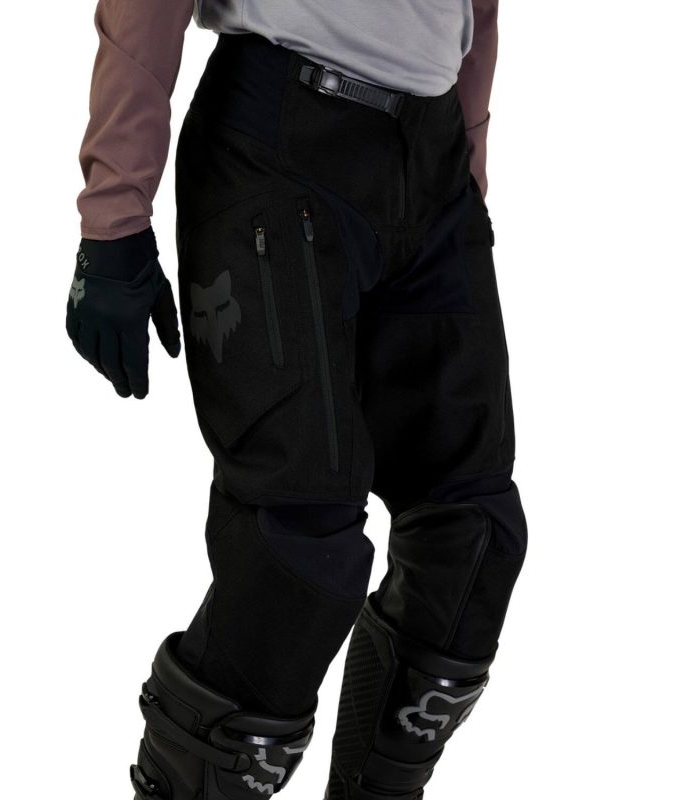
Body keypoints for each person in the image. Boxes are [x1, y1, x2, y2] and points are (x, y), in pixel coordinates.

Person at [66, 2, 528, 798]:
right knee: (301, 552)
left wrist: (463, 172)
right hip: (279, 145)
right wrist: (114, 219)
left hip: (432, 159)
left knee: (471, 538)